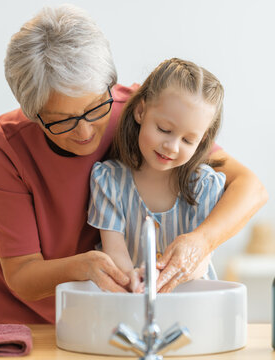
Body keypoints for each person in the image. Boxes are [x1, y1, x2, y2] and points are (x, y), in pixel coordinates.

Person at [0, 4, 268, 324]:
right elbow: (22, 274)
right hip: (17, 315)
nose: (84, 132)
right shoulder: (6, 147)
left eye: (96, 108)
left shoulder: (143, 115)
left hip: (103, 308)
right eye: (62, 122)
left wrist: (201, 241)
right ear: (33, 113)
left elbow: (250, 188)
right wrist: (82, 266)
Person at [88, 58, 226, 292]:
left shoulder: (205, 185)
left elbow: (200, 261)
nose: (172, 147)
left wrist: (159, 276)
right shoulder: (108, 180)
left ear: (202, 140)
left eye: (187, 140)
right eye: (164, 129)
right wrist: (132, 277)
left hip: (192, 306)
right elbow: (115, 251)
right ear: (141, 111)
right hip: (129, 302)